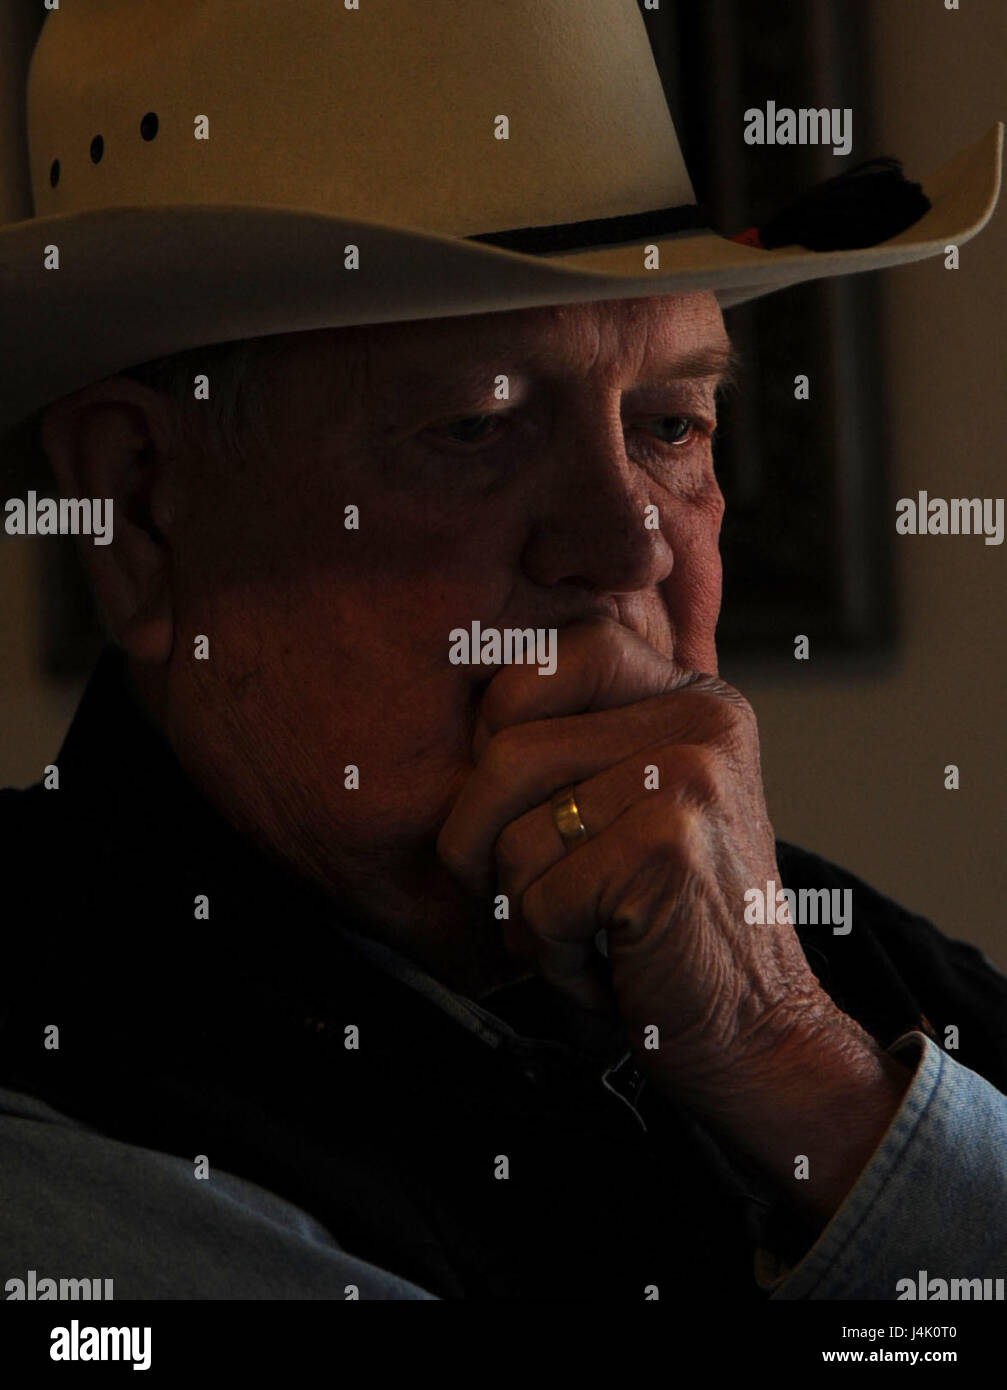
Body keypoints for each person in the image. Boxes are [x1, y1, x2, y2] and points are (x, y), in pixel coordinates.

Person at [1, 0, 1004, 1302]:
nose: (628, 542)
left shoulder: (839, 973)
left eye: (670, 424)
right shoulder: (56, 1112)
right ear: (138, 505)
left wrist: (795, 1063)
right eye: (475, 424)